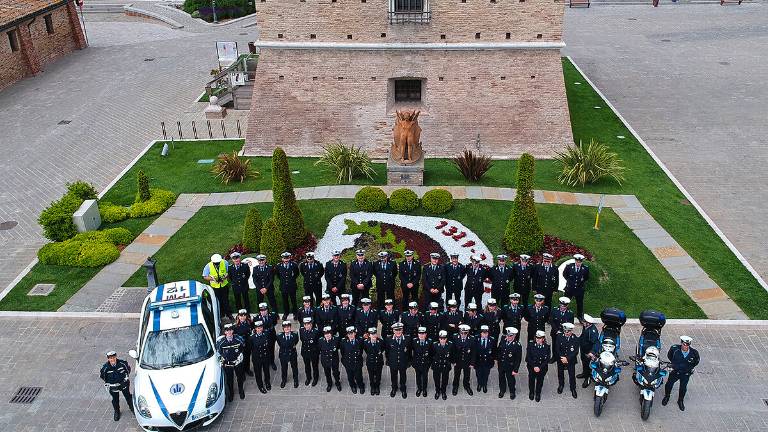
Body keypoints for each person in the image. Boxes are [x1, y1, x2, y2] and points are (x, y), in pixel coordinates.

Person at [663, 335, 700, 411]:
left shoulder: (694, 353)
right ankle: (667, 396)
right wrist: (674, 365)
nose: (685, 346)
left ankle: (680, 400)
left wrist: (689, 368)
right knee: (669, 384)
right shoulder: (674, 349)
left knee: (683, 388)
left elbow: (696, 362)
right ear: (681, 343)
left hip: (685, 373)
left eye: (687, 345)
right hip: (675, 371)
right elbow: (669, 356)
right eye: (684, 344)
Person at [99, 351, 133, 421]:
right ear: (108, 359)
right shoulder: (105, 368)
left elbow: (128, 370)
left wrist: (124, 380)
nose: (113, 359)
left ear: (116, 357)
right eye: (111, 358)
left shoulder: (122, 363)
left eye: (114, 357)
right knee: (115, 399)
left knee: (128, 396)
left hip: (123, 384)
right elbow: (103, 376)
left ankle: (132, 408)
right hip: (113, 386)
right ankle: (117, 411)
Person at [216, 324, 246, 401]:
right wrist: (222, 359)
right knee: (229, 379)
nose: (229, 332)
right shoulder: (221, 342)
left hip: (237, 362)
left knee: (240, 377)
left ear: (233, 331)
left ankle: (241, 390)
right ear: (225, 332)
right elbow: (219, 353)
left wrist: (240, 356)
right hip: (227, 364)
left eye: (230, 330)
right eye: (227, 330)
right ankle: (231, 393)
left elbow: (242, 348)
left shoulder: (238, 339)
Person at [384, 322, 410, 398]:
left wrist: (408, 361)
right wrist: (388, 360)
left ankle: (403, 388)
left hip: (403, 362)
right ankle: (394, 388)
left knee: (403, 376)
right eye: (396, 330)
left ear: (402, 330)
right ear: (393, 331)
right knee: (393, 376)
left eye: (400, 330)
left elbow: (409, 351)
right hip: (393, 362)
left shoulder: (407, 338)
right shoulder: (389, 339)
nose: (398, 332)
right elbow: (387, 351)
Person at [203, 253, 232, 320]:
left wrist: (225, 277)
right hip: (215, 287)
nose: (217, 264)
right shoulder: (208, 266)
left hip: (224, 285)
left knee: (226, 300)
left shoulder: (225, 263)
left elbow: (228, 272)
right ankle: (221, 314)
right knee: (218, 300)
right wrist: (213, 279)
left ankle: (228, 313)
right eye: (215, 263)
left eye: (218, 263)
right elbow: (205, 276)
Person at [496, 327, 522, 399]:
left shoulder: (517, 345)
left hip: (510, 366)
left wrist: (515, 370)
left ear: (514, 336)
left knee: (510, 379)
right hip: (501, 364)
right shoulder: (503, 340)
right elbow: (499, 351)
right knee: (501, 378)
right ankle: (502, 390)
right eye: (507, 335)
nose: (508, 337)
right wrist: (497, 360)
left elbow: (518, 359)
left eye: (510, 336)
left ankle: (512, 391)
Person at [556, 322, 579, 398]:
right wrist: (562, 357)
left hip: (570, 360)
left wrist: (567, 358)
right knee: (560, 373)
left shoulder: (575, 338)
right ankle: (561, 385)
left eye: (568, 331)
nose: (566, 333)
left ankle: (573, 388)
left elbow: (575, 351)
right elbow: (557, 348)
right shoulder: (559, 336)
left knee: (572, 375)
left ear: (571, 331)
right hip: (561, 359)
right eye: (565, 331)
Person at [526, 330, 550, 402]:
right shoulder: (531, 345)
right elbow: (528, 358)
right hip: (532, 367)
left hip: (542, 368)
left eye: (540, 338)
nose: (538, 340)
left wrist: (539, 367)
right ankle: (531, 392)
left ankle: (538, 393)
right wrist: (534, 366)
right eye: (537, 338)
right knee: (531, 380)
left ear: (543, 339)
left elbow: (547, 359)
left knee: (540, 381)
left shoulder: (547, 347)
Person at [563, 254, 590, 320]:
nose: (578, 263)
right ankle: (564, 314)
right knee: (566, 302)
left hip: (579, 289)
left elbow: (586, 277)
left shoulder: (585, 268)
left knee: (580, 303)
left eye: (580, 262)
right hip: (569, 288)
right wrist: (570, 281)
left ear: (582, 262)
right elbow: (565, 275)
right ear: (575, 261)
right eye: (577, 261)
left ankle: (580, 316)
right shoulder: (569, 266)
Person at [340, 326, 366, 394]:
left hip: (357, 362)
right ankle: (353, 386)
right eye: (349, 334)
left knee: (358, 376)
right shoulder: (343, 342)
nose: (350, 335)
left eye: (352, 333)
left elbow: (363, 349)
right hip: (348, 362)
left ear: (355, 333)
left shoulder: (360, 340)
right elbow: (343, 352)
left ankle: (361, 386)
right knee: (350, 377)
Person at [549, 297, 575, 363]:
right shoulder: (554, 310)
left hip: (565, 332)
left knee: (564, 346)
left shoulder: (570, 313)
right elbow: (551, 321)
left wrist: (564, 332)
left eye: (565, 306)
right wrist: (556, 330)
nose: (563, 307)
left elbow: (570, 324)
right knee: (554, 345)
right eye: (561, 305)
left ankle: (563, 359)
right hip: (555, 332)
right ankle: (554, 357)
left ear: (567, 305)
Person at [576, 313, 599, 388]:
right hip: (583, 350)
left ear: (588, 323)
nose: (582, 322)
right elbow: (583, 336)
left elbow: (596, 342)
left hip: (588, 352)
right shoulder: (585, 327)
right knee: (584, 362)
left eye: (584, 321)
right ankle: (584, 373)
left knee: (588, 365)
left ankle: (587, 378)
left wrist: (592, 353)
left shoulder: (592, 331)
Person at [452, 324, 475, 396]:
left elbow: (474, 352)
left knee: (467, 375)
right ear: (459, 332)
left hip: (467, 361)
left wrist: (472, 363)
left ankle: (466, 386)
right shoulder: (455, 337)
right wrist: (453, 361)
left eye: (465, 333)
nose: (463, 334)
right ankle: (455, 386)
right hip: (458, 361)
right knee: (456, 375)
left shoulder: (472, 339)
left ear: (468, 332)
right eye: (462, 333)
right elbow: (453, 350)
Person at [276, 252, 300, 320]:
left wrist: (291, 279)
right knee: (285, 301)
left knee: (293, 300)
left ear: (290, 258)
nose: (286, 260)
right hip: (283, 286)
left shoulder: (294, 265)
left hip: (292, 285)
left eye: (287, 258)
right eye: (284, 258)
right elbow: (278, 275)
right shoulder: (279, 266)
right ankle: (286, 313)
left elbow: (296, 274)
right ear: (282, 259)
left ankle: (295, 313)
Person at [318, 326, 342, 392]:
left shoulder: (336, 339)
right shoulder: (320, 341)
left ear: (331, 333)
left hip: (334, 360)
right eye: (325, 334)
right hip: (325, 360)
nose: (327, 335)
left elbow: (339, 347)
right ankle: (329, 384)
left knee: (336, 373)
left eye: (329, 333)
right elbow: (319, 349)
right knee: (327, 373)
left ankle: (337, 383)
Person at [250, 320, 272, 393]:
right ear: (255, 329)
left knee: (266, 371)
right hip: (257, 358)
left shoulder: (266, 334)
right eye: (258, 328)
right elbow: (250, 348)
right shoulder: (252, 338)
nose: (259, 329)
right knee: (258, 373)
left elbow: (269, 345)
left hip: (265, 356)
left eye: (261, 328)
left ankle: (267, 382)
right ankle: (260, 386)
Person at [256, 302, 279, 371]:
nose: (263, 312)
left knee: (271, 349)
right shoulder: (257, 318)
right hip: (262, 337)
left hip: (271, 336)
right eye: (261, 310)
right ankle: (265, 361)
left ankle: (272, 362)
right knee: (264, 349)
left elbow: (274, 323)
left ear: (267, 310)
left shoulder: (272, 315)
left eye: (265, 310)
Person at [411, 326, 433, 398]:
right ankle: (419, 388)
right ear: (418, 334)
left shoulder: (429, 341)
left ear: (426, 334)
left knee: (425, 376)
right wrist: (412, 362)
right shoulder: (414, 341)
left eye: (423, 334)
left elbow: (431, 353)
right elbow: (411, 351)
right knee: (418, 376)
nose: (421, 335)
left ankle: (424, 389)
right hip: (417, 363)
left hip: (426, 363)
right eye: (420, 333)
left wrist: (430, 363)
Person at [277, 320, 299, 388]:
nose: (287, 328)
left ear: (290, 327)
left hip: (292, 354)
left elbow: (296, 341)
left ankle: (295, 380)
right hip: (283, 354)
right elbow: (280, 344)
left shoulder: (295, 334)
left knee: (294, 367)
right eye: (285, 327)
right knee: (284, 368)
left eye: (288, 327)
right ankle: (284, 380)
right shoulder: (279, 336)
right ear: (283, 328)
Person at [363, 327, 385, 395]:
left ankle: (377, 386)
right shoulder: (366, 342)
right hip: (370, 362)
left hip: (379, 361)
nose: (374, 335)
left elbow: (382, 349)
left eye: (375, 333)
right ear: (369, 335)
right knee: (371, 375)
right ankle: (372, 387)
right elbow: (367, 351)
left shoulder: (380, 341)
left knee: (378, 375)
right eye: (372, 334)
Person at [299, 317, 321, 386]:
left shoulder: (316, 331)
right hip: (305, 352)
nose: (307, 326)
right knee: (307, 366)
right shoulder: (301, 330)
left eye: (308, 324)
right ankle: (308, 378)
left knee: (315, 366)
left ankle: (315, 378)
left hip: (314, 352)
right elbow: (302, 340)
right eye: (305, 324)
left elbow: (318, 342)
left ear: (311, 324)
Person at [432, 330, 453, 400]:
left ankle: (443, 391)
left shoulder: (450, 344)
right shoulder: (434, 345)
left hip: (445, 365)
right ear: (439, 338)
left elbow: (452, 355)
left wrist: (451, 362)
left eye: (444, 338)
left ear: (446, 339)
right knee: (436, 379)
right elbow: (432, 355)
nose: (442, 340)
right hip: (437, 365)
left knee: (445, 380)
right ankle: (437, 391)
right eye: (441, 338)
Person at [473, 325, 495, 394]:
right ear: (480, 333)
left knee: (486, 374)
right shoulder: (476, 339)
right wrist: (473, 362)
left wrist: (494, 359)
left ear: (488, 333)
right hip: (478, 361)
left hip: (487, 361)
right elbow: (474, 351)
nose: (484, 334)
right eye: (483, 333)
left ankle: (484, 384)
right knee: (478, 374)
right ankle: (479, 384)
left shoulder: (492, 339)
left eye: (486, 333)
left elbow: (494, 351)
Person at [233, 309, 254, 377]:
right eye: (241, 316)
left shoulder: (249, 323)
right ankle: (242, 373)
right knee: (241, 359)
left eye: (244, 315)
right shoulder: (235, 326)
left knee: (247, 357)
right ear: (238, 316)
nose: (243, 317)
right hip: (240, 345)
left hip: (248, 343)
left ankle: (247, 370)